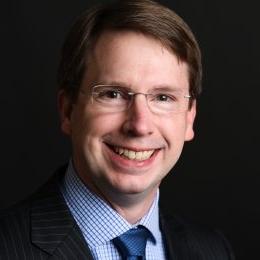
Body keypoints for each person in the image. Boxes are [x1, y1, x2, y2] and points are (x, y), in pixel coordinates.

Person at [0, 0, 235, 259]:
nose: (139, 125)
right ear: (68, 110)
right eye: (112, 94)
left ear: (190, 119)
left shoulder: (213, 250)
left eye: (163, 98)